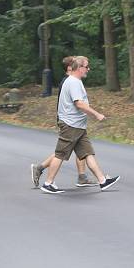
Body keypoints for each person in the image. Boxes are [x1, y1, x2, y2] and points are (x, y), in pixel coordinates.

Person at [32, 55, 120, 194]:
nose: (88, 69)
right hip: (71, 125)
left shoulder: (73, 81)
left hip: (77, 126)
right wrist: (96, 114)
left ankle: (103, 181)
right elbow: (78, 103)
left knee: (87, 153)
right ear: (79, 68)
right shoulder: (73, 82)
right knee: (60, 154)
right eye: (86, 67)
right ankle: (48, 183)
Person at [31, 57, 98, 188]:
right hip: (69, 120)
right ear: (70, 67)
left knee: (76, 149)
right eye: (75, 64)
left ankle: (82, 176)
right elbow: (72, 103)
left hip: (73, 121)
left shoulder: (73, 80)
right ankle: (43, 173)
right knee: (63, 151)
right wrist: (93, 113)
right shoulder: (69, 82)